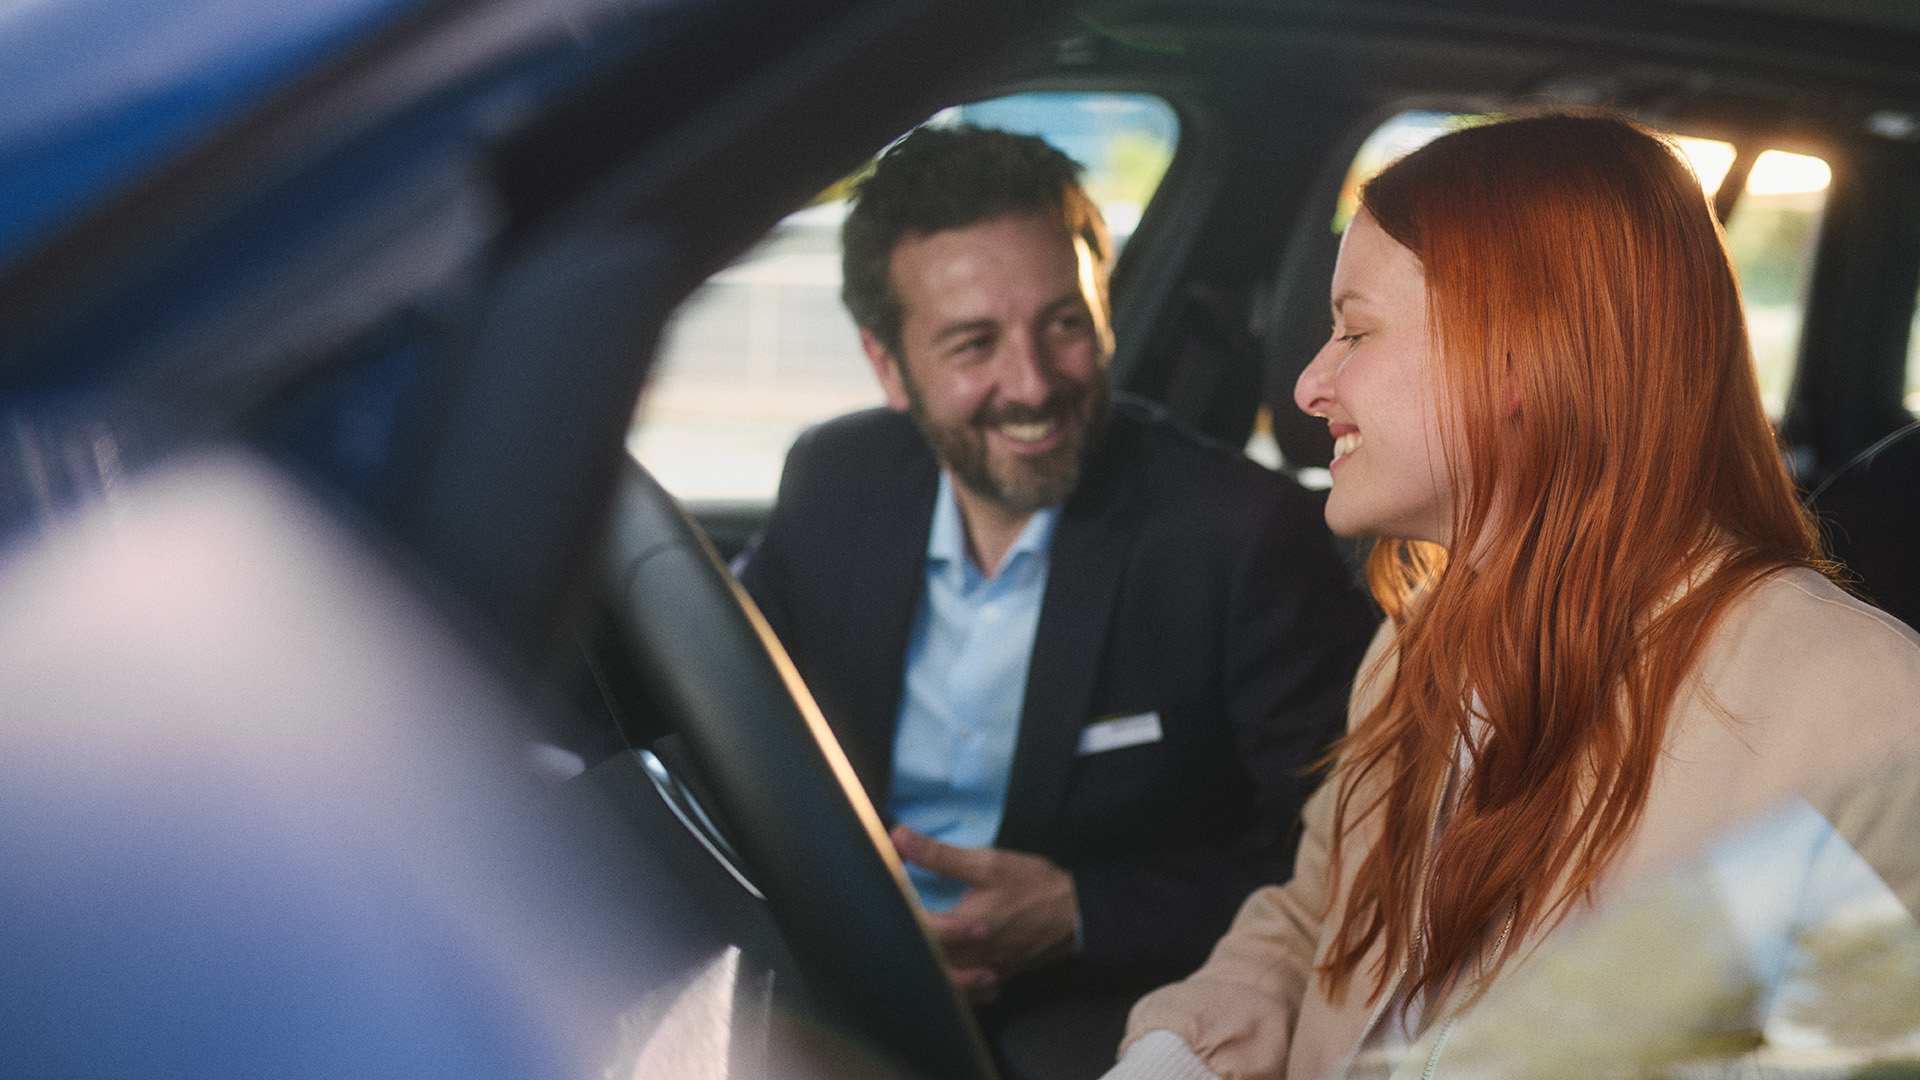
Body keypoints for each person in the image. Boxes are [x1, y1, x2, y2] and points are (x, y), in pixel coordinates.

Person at [1109, 111, 1920, 1080]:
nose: (1310, 383)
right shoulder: (1417, 641)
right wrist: (1187, 1043)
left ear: (1523, 353)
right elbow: (1313, 915)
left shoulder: (1861, 714)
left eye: (1354, 331)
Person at [735, 124, 1377, 1005]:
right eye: (973, 344)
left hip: (1088, 1002)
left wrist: (1084, 911)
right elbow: (725, 710)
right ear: (888, 365)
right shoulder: (835, 480)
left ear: (1103, 314)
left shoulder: (1238, 535)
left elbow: (1353, 855)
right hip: (833, 966)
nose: (1032, 384)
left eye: (1063, 324)